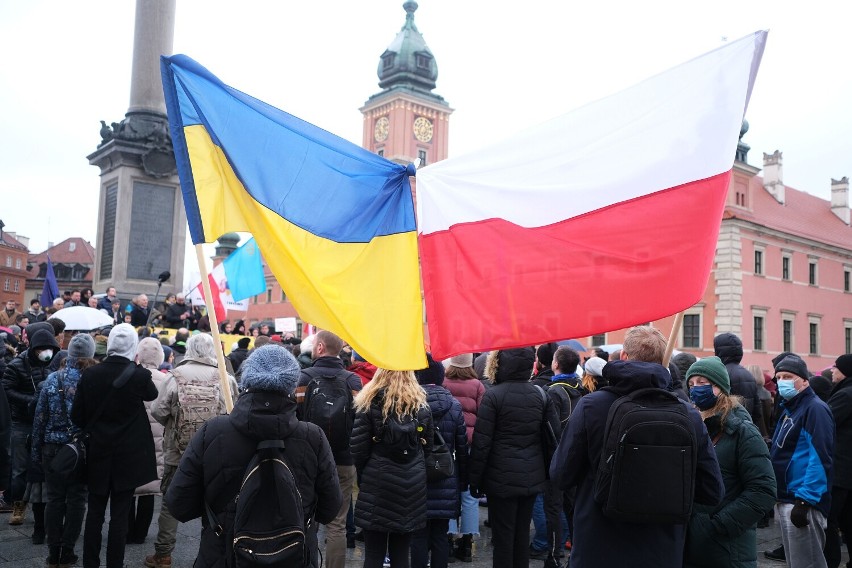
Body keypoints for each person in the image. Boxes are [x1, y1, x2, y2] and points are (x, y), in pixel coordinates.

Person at [550, 326, 724, 568]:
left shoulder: (592, 406)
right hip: (661, 552)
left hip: (597, 547)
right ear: (664, 361)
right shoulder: (688, 415)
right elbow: (712, 491)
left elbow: (560, 474)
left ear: (623, 356)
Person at [163, 344, 342, 567]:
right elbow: (330, 508)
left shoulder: (213, 432)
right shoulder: (312, 437)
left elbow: (179, 504)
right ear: (292, 385)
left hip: (223, 555)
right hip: (294, 556)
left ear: (247, 380)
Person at [145, 333, 236, 568]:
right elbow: (233, 414)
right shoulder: (225, 378)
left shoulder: (174, 377)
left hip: (178, 453)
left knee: (170, 502)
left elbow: (158, 411)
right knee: (216, 505)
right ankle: (212, 555)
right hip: (216, 455)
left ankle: (163, 554)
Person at [71, 324, 158, 568]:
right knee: (120, 515)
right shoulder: (138, 374)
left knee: (95, 512)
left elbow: (76, 416)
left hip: (98, 450)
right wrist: (137, 364)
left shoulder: (91, 374)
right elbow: (151, 394)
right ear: (132, 345)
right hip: (128, 455)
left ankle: (90, 563)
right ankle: (115, 564)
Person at [468, 347, 560, 568]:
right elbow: (552, 439)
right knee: (521, 535)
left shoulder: (494, 396)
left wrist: (474, 481)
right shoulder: (540, 394)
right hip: (532, 476)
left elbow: (482, 444)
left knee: (503, 537)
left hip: (500, 479)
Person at [682, 356, 776, 568]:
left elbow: (763, 490)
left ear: (720, 387)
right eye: (691, 384)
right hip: (697, 548)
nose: (695, 389)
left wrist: (718, 526)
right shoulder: (696, 426)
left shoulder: (742, 431)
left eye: (702, 383)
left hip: (728, 550)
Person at [352, 368, 434, 568]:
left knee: (373, 553)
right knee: (401, 551)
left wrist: (367, 474)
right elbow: (428, 447)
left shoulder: (370, 403)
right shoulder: (421, 405)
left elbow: (358, 449)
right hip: (412, 484)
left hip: (377, 481)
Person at [295, 330, 361, 568]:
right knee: (338, 523)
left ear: (320, 348)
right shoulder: (353, 381)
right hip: (343, 459)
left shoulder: (303, 378)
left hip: (308, 457)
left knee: (303, 518)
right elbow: (359, 421)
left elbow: (295, 416)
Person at [31, 334, 97, 567]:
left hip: (52, 447)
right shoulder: (93, 380)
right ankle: (68, 550)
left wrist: (35, 453)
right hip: (80, 449)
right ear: (90, 354)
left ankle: (53, 552)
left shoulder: (52, 379)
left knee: (55, 499)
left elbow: (39, 419)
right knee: (78, 499)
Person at [770, 354, 834, 568]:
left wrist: (805, 501)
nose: (782, 381)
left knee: (808, 563)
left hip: (802, 500)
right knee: (797, 562)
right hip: (788, 497)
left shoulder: (814, 409)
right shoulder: (791, 406)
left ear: (805, 380)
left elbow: (820, 457)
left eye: (788, 376)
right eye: (778, 377)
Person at [412, 355, 468, 568]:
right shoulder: (453, 406)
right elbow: (462, 447)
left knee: (418, 537)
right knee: (440, 536)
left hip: (418, 478)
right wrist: (462, 482)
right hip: (446, 477)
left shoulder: (411, 405)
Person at [2, 322, 60, 527]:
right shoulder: (16, 365)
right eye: (42, 349)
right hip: (22, 423)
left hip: (45, 424)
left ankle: (40, 509)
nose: (46, 353)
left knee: (42, 468)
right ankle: (18, 505)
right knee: (19, 469)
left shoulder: (53, 364)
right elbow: (7, 390)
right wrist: (30, 399)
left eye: (50, 349)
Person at [442, 353, 484, 562]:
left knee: (448, 492)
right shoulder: (477, 385)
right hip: (470, 445)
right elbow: (483, 416)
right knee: (469, 495)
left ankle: (447, 541)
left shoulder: (444, 382)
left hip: (448, 443)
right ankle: (466, 544)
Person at [127, 338, 168, 546]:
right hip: (158, 439)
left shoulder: (129, 376)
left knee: (129, 485)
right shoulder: (166, 379)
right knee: (150, 486)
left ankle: (127, 530)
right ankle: (141, 533)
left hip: (132, 437)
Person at [825, 354, 852, 568]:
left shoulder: (845, 395)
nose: (832, 370)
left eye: (836, 367)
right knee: (847, 520)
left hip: (840, 467)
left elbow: (827, 422)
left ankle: (830, 561)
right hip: (846, 467)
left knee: (830, 519)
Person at [714, 332, 767, 437]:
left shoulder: (721, 373)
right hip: (747, 428)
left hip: (726, 431)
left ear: (719, 350)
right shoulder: (748, 374)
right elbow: (757, 410)